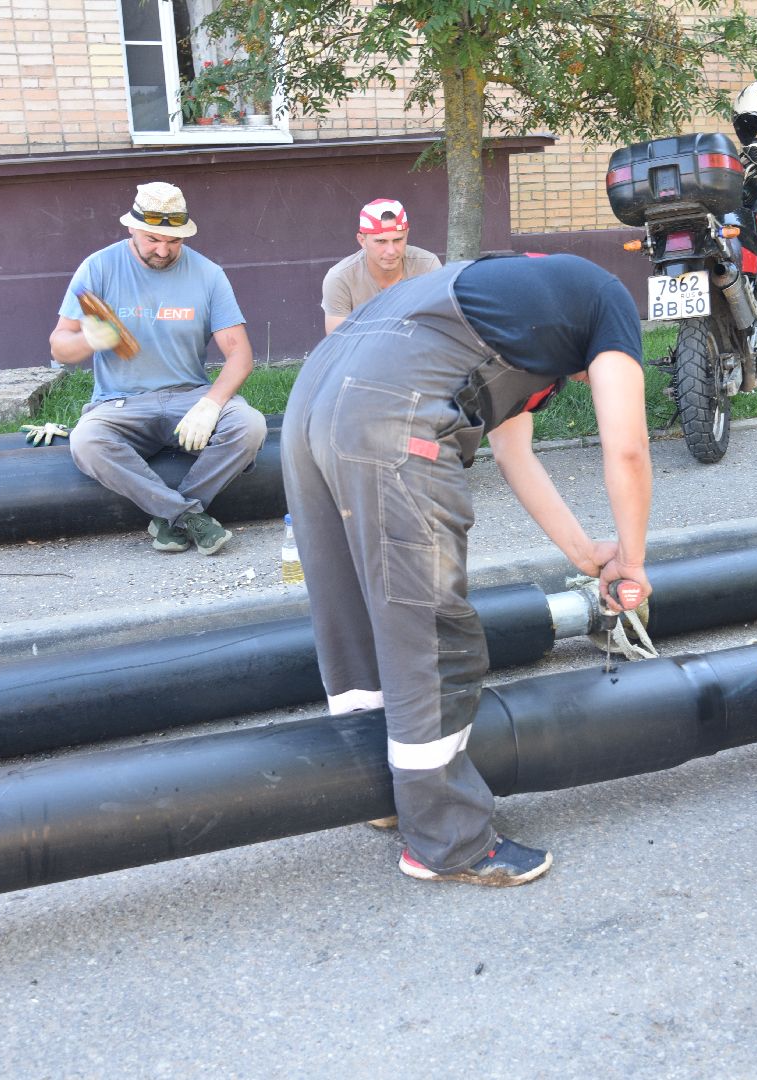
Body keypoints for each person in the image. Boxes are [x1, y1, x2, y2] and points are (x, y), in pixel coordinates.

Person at [282, 253, 652, 887]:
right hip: (391, 414)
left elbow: (516, 455)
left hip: (313, 403)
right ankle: (446, 841)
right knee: (430, 626)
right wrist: (635, 560)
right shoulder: (607, 302)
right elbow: (627, 447)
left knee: (356, 609)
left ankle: (375, 783)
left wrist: (585, 553)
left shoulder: (516, 304)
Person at [46, 181, 267, 555]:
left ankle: (170, 519)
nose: (163, 250)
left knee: (250, 426)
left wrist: (211, 404)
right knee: (86, 442)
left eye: (174, 240)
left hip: (189, 397)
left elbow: (240, 355)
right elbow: (59, 347)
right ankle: (187, 516)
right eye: (152, 239)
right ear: (131, 227)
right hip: (120, 402)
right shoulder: (99, 268)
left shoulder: (208, 274)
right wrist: (92, 339)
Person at [319, 198, 442, 334]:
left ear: (406, 235)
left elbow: (441, 330)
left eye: (398, 240)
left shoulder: (427, 266)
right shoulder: (340, 278)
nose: (391, 251)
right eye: (381, 241)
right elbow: (337, 344)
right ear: (362, 241)